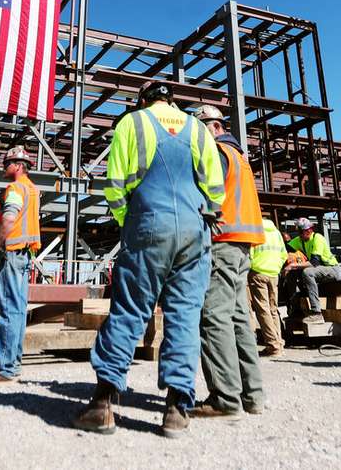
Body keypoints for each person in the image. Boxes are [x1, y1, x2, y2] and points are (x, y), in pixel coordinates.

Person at [73, 81, 224, 438]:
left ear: (144, 101)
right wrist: (204, 215)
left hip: (148, 223)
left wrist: (130, 221)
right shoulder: (198, 129)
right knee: (185, 315)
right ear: (171, 102)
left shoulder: (132, 122)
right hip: (194, 229)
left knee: (130, 310)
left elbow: (115, 182)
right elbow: (215, 188)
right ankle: (176, 410)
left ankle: (102, 404)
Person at [189, 104, 266, 420]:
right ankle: (252, 395)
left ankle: (224, 398)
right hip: (241, 247)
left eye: (198, 130)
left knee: (213, 317)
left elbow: (208, 198)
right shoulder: (239, 157)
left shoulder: (217, 153)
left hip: (222, 243)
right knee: (237, 319)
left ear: (212, 126)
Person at [0, 146, 41, 385]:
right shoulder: (33, 189)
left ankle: (4, 367)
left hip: (11, 254)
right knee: (18, 309)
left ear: (19, 166)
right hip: (25, 255)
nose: (4, 167)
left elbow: (10, 217)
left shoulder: (15, 188)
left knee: (6, 310)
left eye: (8, 163)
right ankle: (13, 363)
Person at [286, 217, 341, 324]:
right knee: (292, 273)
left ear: (309, 230)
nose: (299, 234)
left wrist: (293, 265)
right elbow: (286, 248)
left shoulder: (318, 238)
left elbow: (314, 263)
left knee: (307, 272)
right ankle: (296, 311)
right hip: (319, 271)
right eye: (299, 231)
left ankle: (317, 313)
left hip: (332, 269)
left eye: (301, 231)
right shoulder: (299, 240)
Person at [249, 216, 287, 357]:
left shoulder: (255, 230)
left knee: (263, 310)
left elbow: (249, 254)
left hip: (258, 273)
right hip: (273, 274)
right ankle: (279, 342)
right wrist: (276, 267)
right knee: (273, 309)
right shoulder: (276, 233)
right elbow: (284, 255)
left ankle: (273, 346)